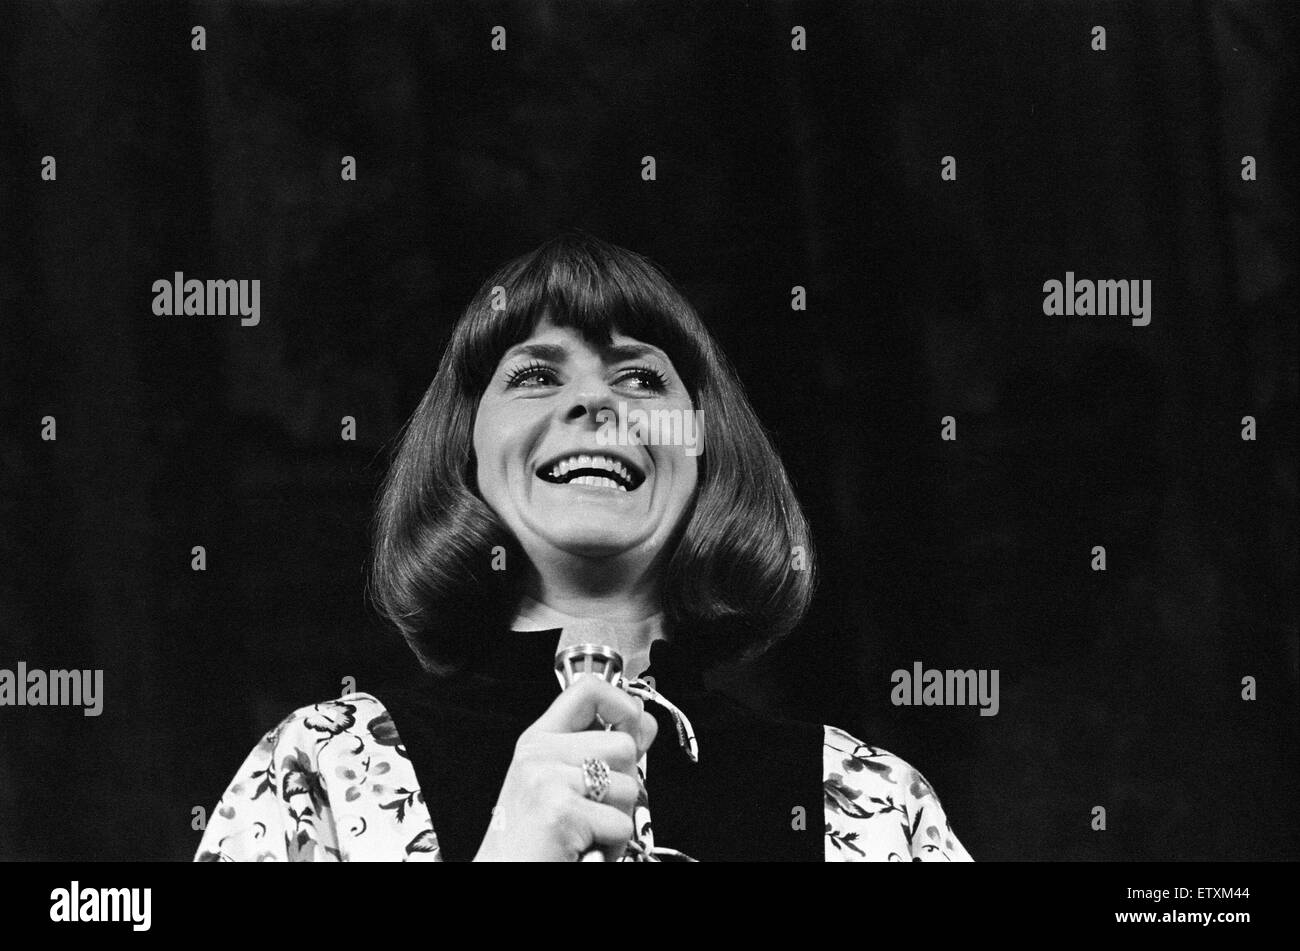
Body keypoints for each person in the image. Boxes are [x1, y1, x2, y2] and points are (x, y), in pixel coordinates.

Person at [195, 232, 972, 862]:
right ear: (466, 450)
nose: (595, 401)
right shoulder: (321, 769)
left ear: (704, 446)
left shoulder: (871, 803)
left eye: (641, 379)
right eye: (535, 375)